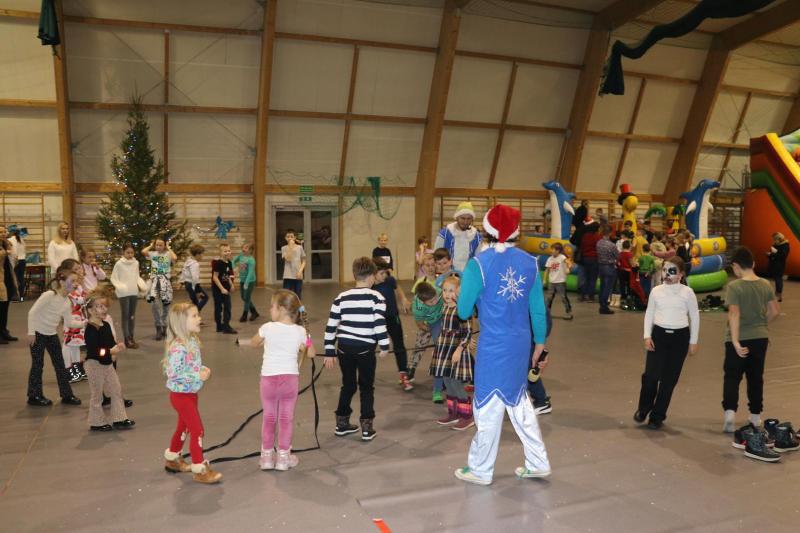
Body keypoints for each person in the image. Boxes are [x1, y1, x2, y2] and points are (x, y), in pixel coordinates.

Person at [455, 204, 551, 485]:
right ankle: (538, 461)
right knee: (519, 401)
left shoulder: (478, 264)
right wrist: (540, 342)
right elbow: (538, 309)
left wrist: (471, 294)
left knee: (487, 405)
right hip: (520, 344)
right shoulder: (530, 262)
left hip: (494, 345)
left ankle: (480, 469)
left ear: (487, 229)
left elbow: (463, 311)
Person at [324, 257, 390, 442]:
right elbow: (379, 323)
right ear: (371, 277)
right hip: (365, 351)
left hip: (344, 349)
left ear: (355, 274)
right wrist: (384, 345)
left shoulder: (341, 297)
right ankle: (367, 428)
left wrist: (329, 350)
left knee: (348, 385)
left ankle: (341, 424)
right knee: (366, 387)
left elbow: (331, 326)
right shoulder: (377, 297)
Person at [248, 290, 312, 471]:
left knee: (269, 417)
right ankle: (283, 458)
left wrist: (266, 341)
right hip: (289, 380)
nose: (270, 310)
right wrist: (307, 338)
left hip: (268, 380)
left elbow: (253, 342)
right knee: (286, 418)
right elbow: (311, 353)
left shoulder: (267, 328)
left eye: (272, 306)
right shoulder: (300, 331)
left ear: (282, 309)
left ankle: (266, 458)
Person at [634, 257, 699, 430]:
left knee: (669, 381)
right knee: (650, 377)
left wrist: (693, 341)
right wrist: (647, 336)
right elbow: (649, 313)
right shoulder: (656, 291)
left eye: (672, 271)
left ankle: (657, 415)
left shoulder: (688, 293)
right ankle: (644, 408)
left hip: (680, 339)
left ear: (681, 274)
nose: (667, 274)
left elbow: (694, 316)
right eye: (664, 270)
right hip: (659, 336)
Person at [162, 302, 223, 484]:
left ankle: (173, 459)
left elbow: (192, 365)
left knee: (184, 427)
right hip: (180, 396)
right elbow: (173, 374)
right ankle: (200, 469)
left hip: (190, 393)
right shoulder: (178, 348)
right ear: (182, 322)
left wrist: (202, 369)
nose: (199, 319)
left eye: (198, 315)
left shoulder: (192, 341)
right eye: (194, 316)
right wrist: (197, 375)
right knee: (197, 430)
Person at [723, 247, 780, 434]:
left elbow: (734, 314)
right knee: (756, 377)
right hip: (760, 338)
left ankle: (730, 414)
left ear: (736, 266)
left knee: (732, 376)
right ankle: (755, 416)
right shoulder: (765, 284)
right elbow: (775, 311)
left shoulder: (734, 286)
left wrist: (735, 341)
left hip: (738, 338)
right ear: (753, 264)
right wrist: (762, 325)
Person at [26, 265, 83, 407]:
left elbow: (69, 322)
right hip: (38, 334)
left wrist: (85, 323)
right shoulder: (49, 295)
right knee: (38, 364)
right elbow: (32, 312)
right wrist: (31, 332)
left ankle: (67, 395)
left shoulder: (67, 301)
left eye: (77, 281)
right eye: (73, 281)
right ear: (62, 282)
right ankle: (34, 396)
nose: (76, 284)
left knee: (59, 364)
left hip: (51, 334)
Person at [82, 292, 135, 432]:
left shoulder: (105, 325)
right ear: (90, 310)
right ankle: (96, 422)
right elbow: (94, 351)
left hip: (107, 364)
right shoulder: (91, 329)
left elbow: (110, 342)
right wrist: (110, 351)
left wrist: (117, 346)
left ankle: (119, 418)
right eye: (99, 306)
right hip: (94, 365)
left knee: (116, 390)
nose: (104, 309)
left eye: (105, 306)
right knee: (97, 395)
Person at [432, 276, 475, 430]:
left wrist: (460, 349)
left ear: (458, 291)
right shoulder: (445, 308)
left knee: (456, 382)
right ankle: (453, 413)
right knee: (447, 380)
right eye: (444, 290)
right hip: (445, 349)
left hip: (457, 350)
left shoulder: (462, 309)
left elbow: (467, 332)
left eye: (451, 291)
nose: (447, 294)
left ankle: (467, 416)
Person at [374, 258, 413, 392]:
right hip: (376, 321)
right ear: (373, 274)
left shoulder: (389, 280)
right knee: (370, 346)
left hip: (393, 317)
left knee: (399, 345)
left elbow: (398, 288)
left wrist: (403, 299)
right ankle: (366, 374)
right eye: (381, 273)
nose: (385, 275)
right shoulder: (370, 286)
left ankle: (403, 374)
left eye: (386, 272)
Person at [409, 281, 444, 387]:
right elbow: (420, 324)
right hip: (426, 323)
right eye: (431, 302)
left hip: (441, 318)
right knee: (419, 345)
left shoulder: (439, 292)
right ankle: (411, 369)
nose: (435, 302)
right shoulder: (417, 308)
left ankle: (443, 375)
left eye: (435, 298)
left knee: (442, 346)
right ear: (422, 302)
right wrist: (430, 330)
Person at [142, 238, 177, 340]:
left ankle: (164, 326)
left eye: (161, 245)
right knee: (155, 305)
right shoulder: (153, 254)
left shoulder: (168, 254)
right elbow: (143, 251)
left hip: (165, 283)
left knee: (166, 306)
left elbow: (175, 257)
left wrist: (169, 248)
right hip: (154, 283)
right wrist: (151, 245)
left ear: (164, 245)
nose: (158, 247)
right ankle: (158, 327)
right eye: (157, 245)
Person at [60, 259, 88, 383]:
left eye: (80, 268)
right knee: (68, 345)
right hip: (71, 321)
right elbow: (82, 300)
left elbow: (85, 297)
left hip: (79, 319)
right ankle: (67, 370)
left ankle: (76, 369)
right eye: (76, 269)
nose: (80, 271)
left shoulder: (78, 286)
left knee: (76, 345)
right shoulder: (68, 290)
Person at [110, 243, 143, 349]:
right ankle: (127, 338)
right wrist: (120, 286)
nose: (130, 255)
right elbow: (114, 278)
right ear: (123, 252)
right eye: (128, 252)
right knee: (125, 316)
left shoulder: (136, 263)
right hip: (123, 293)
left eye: (132, 252)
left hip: (133, 292)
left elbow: (137, 276)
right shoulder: (119, 264)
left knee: (132, 316)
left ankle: (131, 337)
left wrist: (142, 285)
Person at [434, 202, 481, 272]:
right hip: (447, 274)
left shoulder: (476, 236)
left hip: (468, 274)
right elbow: (437, 255)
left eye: (469, 219)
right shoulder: (445, 233)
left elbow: (478, 258)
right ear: (457, 217)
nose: (465, 222)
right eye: (463, 218)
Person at [211, 243, 237, 334]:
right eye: (225, 251)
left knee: (227, 307)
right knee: (218, 308)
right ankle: (219, 326)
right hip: (217, 289)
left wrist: (231, 285)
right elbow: (215, 277)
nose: (227, 252)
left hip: (226, 289)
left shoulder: (229, 262)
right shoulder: (218, 263)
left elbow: (228, 275)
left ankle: (226, 326)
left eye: (229, 250)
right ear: (220, 252)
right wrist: (222, 289)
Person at [544, 242, 572, 319]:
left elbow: (568, 262)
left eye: (553, 249)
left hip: (560, 281)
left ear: (558, 251)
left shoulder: (562, 257)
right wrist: (544, 280)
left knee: (563, 297)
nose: (551, 251)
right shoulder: (550, 259)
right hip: (552, 282)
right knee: (549, 298)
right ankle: (547, 312)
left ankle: (568, 312)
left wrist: (568, 268)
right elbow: (547, 270)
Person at [232, 243, 259, 322]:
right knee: (243, 297)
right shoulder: (241, 255)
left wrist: (246, 283)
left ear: (250, 250)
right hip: (242, 280)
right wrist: (234, 268)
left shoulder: (251, 260)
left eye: (246, 248)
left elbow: (250, 272)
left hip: (250, 281)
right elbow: (233, 260)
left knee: (246, 298)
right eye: (243, 247)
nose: (243, 249)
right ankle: (254, 312)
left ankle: (245, 315)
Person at [179, 244, 208, 314]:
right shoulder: (195, 264)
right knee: (205, 298)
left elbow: (183, 272)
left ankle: (194, 314)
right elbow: (195, 278)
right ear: (197, 255)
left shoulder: (188, 261)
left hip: (187, 284)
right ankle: (192, 313)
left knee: (195, 301)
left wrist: (181, 282)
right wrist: (198, 291)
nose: (203, 256)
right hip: (192, 285)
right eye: (202, 254)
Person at [0, 237, 19, 343]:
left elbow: (14, 261)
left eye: (4, 232)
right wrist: (4, 252)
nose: (3, 234)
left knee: (5, 308)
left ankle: (4, 331)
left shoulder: (7, 245)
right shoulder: (3, 250)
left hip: (8, 279)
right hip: (0, 281)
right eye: (0, 232)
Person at [597, 225, 619, 314]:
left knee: (602, 286)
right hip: (609, 267)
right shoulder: (612, 245)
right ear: (610, 233)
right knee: (607, 288)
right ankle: (604, 307)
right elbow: (617, 256)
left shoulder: (598, 243)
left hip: (600, 266)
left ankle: (601, 304)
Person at [579, 219, 601, 302]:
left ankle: (583, 295)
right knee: (593, 278)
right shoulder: (597, 236)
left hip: (585, 258)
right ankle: (591, 296)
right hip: (594, 259)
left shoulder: (585, 236)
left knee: (585, 277)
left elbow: (582, 246)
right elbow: (599, 247)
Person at [281, 229, 306, 298]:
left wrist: (300, 271)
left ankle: (298, 305)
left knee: (297, 295)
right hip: (287, 276)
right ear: (285, 238)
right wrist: (291, 247)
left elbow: (304, 261)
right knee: (286, 296)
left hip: (298, 276)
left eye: (291, 237)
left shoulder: (300, 247)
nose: (290, 238)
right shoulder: (284, 248)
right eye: (288, 237)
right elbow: (288, 259)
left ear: (295, 238)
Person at [766, 232, 789, 302]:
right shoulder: (774, 245)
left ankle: (779, 295)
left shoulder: (785, 245)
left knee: (778, 279)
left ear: (779, 238)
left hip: (779, 265)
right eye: (773, 239)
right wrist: (769, 254)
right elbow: (772, 253)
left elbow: (783, 256)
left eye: (775, 239)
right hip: (773, 265)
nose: (774, 240)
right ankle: (776, 294)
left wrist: (772, 254)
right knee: (776, 279)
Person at [8, 226, 26, 300]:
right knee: (21, 279)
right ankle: (21, 297)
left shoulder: (10, 240)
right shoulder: (21, 239)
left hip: (16, 261)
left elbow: (14, 252)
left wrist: (14, 261)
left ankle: (15, 296)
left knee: (14, 279)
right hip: (22, 260)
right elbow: (24, 250)